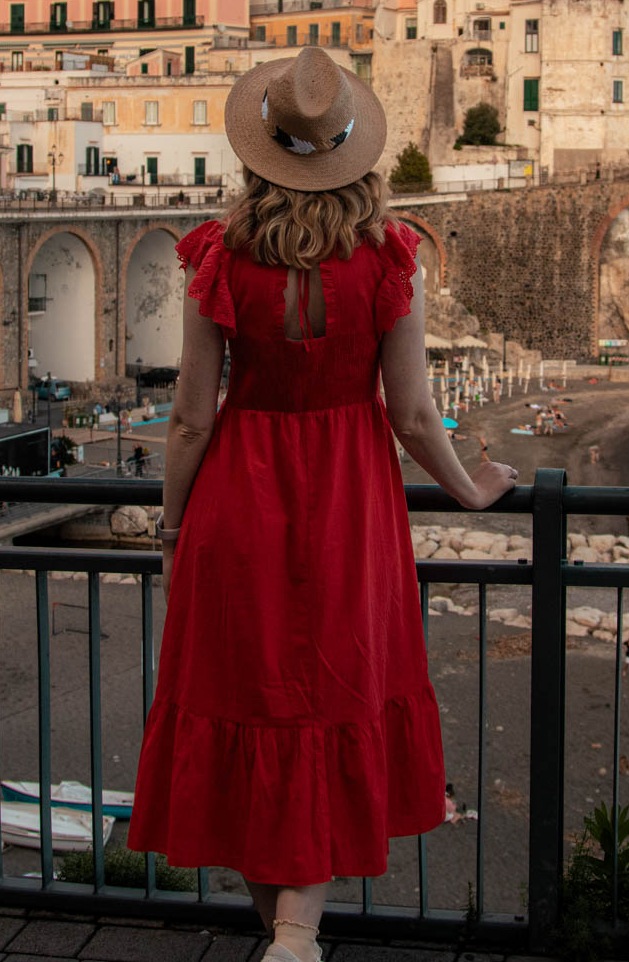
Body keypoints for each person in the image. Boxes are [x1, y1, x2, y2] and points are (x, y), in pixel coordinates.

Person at [127, 48, 517, 960]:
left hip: (239, 498)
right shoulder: (389, 258)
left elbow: (189, 417)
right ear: (353, 152)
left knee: (250, 701)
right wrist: (470, 488)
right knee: (331, 694)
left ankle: (287, 934)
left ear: (258, 150)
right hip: (351, 503)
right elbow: (414, 413)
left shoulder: (219, 256)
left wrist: (173, 530)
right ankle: (295, 937)